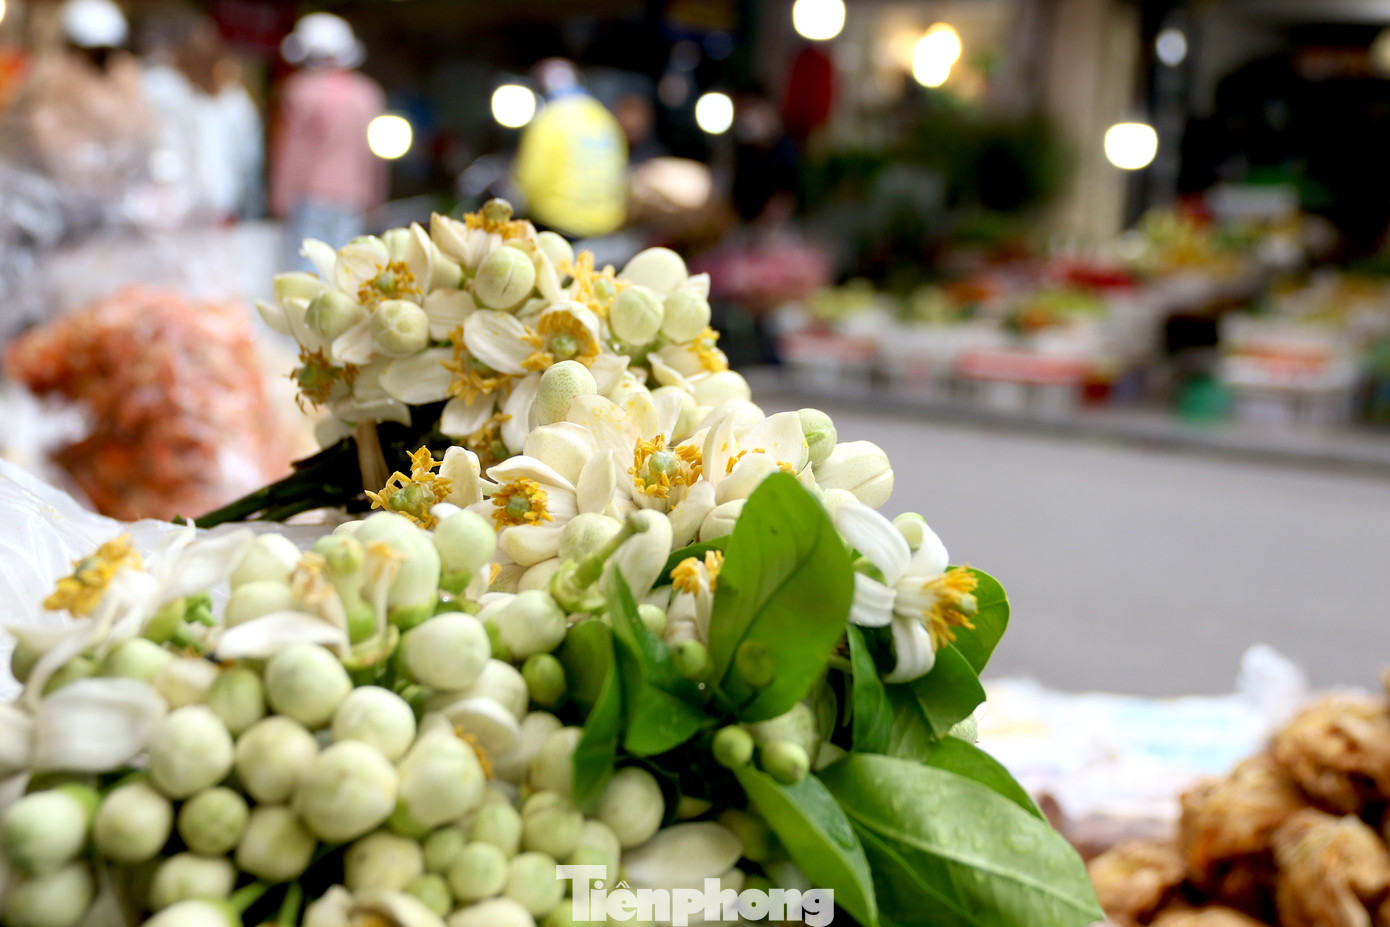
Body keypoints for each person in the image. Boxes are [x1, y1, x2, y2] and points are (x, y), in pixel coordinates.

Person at [269, 13, 385, 265]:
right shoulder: (368, 93)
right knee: (345, 271)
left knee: (305, 272)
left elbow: (290, 152)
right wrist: (376, 195)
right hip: (354, 197)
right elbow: (373, 155)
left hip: (308, 197)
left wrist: (279, 197)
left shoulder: (297, 90)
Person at [512, 58, 627, 239]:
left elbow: (532, 180)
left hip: (558, 226)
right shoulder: (604, 118)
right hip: (605, 228)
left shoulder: (549, 119)